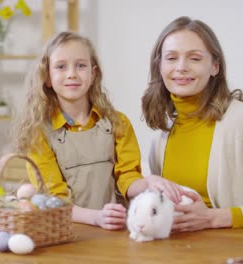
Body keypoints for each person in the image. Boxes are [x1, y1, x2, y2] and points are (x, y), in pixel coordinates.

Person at [141, 16, 243, 231]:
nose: (181, 67)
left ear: (215, 67)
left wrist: (214, 218)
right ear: (159, 66)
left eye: (195, 58)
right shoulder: (161, 137)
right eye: (171, 58)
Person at [14, 31, 157, 230]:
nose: (72, 73)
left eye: (81, 66)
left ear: (93, 73)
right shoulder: (38, 134)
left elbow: (128, 177)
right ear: (47, 77)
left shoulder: (118, 123)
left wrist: (149, 183)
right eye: (61, 67)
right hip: (66, 231)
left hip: (116, 228)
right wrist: (96, 217)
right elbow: (54, 198)